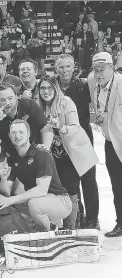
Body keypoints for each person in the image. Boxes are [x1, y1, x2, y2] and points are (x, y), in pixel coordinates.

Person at [0, 119, 71, 231]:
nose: (17, 136)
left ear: (29, 133)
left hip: (60, 200)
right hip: (38, 202)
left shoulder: (41, 153)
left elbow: (42, 190)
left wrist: (10, 200)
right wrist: (3, 179)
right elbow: (5, 194)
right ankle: (34, 230)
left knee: (34, 204)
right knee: (3, 205)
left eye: (21, 132)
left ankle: (48, 233)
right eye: (14, 133)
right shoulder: (13, 160)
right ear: (9, 135)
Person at [55, 54, 99, 229]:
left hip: (82, 139)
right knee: (70, 182)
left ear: (74, 67)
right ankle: (78, 216)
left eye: (68, 66)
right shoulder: (52, 86)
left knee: (88, 179)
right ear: (56, 69)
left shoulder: (83, 85)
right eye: (61, 67)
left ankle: (93, 219)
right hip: (61, 141)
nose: (65, 70)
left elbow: (98, 101)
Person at [87, 52, 122, 237]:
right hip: (111, 141)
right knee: (117, 184)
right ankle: (121, 222)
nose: (99, 74)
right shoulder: (94, 83)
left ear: (112, 68)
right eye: (96, 70)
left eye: (103, 70)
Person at [0, 83, 53, 158]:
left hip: (34, 149)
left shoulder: (28, 104)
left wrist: (46, 147)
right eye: (2, 100)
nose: (7, 103)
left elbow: (45, 128)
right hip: (12, 156)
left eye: (10, 98)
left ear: (16, 97)